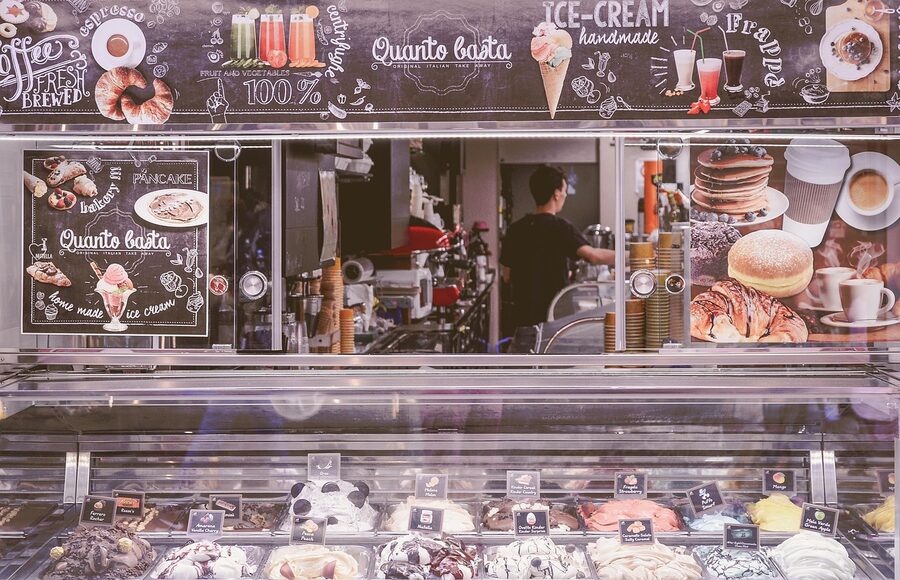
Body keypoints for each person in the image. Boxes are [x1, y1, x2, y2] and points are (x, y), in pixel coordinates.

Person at [500, 165, 615, 328]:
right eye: (565, 190)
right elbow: (593, 256)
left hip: (522, 318)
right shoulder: (560, 227)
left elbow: (507, 276)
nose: (565, 195)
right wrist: (633, 254)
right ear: (556, 194)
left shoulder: (516, 229)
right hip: (553, 315)